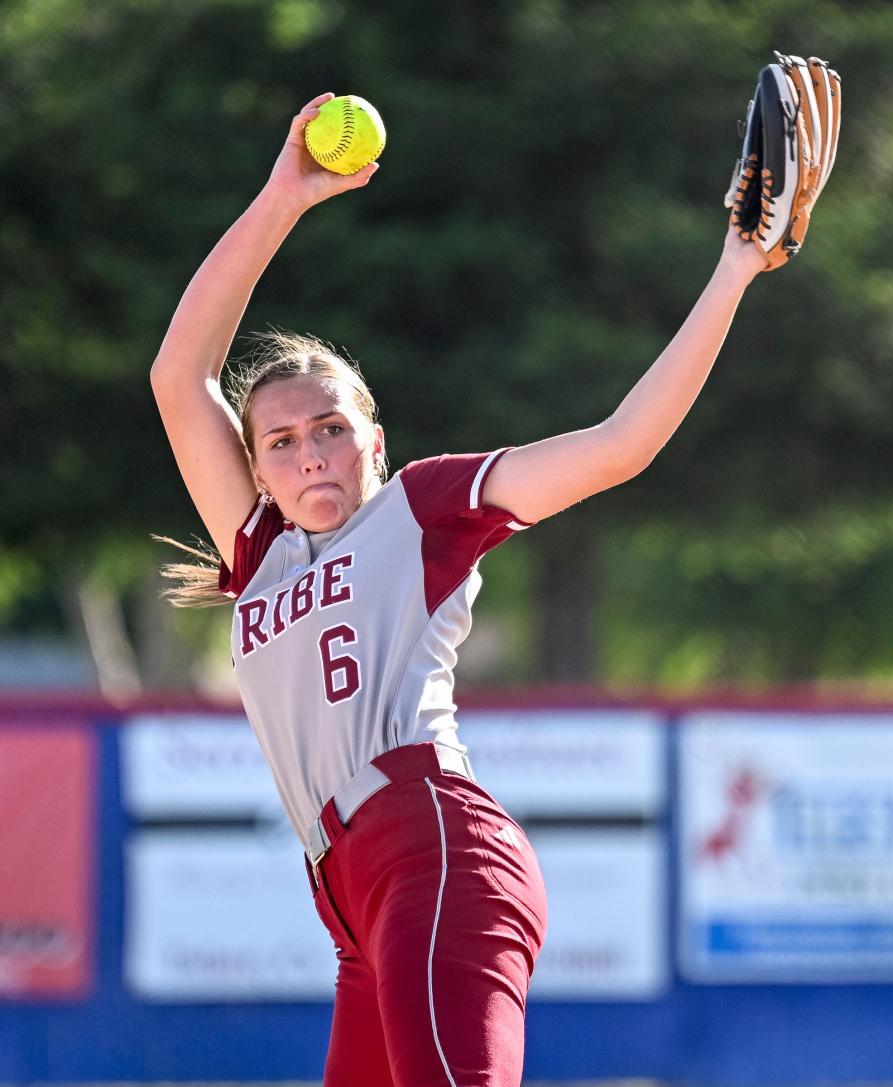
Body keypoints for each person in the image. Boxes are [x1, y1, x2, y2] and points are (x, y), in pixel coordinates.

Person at [151, 92, 770, 1087]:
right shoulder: (260, 549)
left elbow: (620, 445)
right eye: (281, 440)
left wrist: (735, 269)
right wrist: (284, 198)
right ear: (257, 468)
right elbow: (181, 376)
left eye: (332, 428)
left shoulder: (419, 509)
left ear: (375, 441)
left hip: (430, 850)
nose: (310, 452)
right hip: (354, 900)